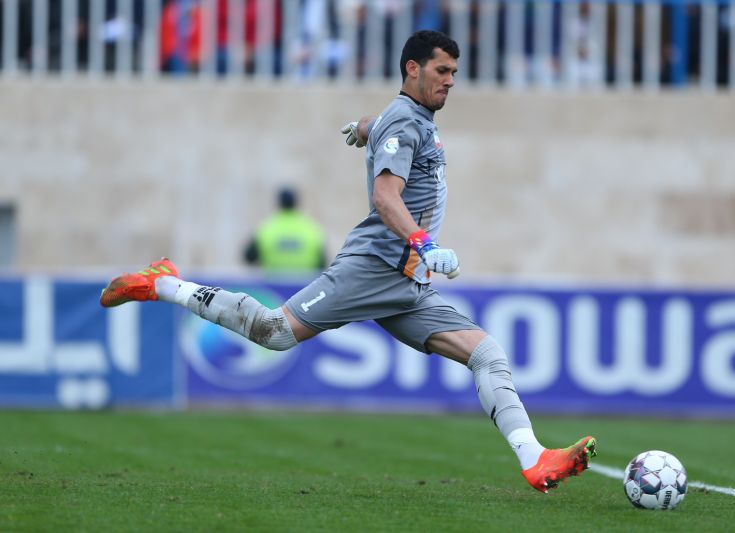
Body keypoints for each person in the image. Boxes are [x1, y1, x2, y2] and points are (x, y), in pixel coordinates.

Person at [99, 29, 596, 494]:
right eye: (442, 71)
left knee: (487, 355)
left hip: (407, 285)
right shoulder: (405, 120)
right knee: (273, 332)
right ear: (412, 68)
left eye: (454, 73)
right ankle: (163, 284)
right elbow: (385, 196)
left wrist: (364, 128)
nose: (450, 81)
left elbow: (385, 127)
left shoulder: (406, 120)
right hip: (374, 267)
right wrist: (424, 243)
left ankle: (535, 459)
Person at [242, 187, 327, 273]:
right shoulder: (312, 229)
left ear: (279, 203)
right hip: (305, 280)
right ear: (296, 203)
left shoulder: (266, 229)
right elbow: (322, 263)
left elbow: (248, 257)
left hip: (273, 280)